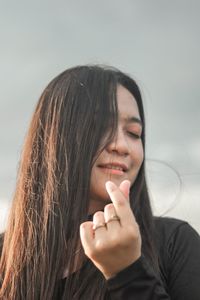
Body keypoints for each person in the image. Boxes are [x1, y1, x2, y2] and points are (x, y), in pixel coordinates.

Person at [0, 65, 200, 299]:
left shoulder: (175, 244)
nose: (122, 146)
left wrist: (129, 274)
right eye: (99, 126)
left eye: (134, 133)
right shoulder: (5, 259)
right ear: (54, 139)